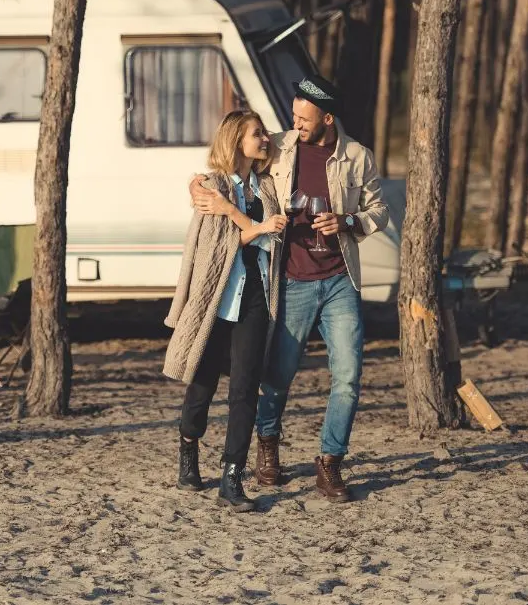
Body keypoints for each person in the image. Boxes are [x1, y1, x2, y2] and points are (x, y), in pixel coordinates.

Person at [191, 75, 388, 502]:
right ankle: (268, 444)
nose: (295, 123)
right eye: (293, 115)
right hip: (292, 280)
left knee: (349, 377)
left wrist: (349, 222)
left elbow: (379, 210)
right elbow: (227, 163)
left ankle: (330, 463)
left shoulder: (357, 156)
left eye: (303, 117)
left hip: (339, 281)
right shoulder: (278, 146)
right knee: (277, 377)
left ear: (328, 118)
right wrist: (198, 185)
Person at [163, 110, 286, 513]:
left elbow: (266, 240)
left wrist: (249, 224)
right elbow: (220, 243)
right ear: (236, 140)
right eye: (257, 134)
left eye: (266, 134)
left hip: (254, 295)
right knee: (203, 384)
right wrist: (255, 227)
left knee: (245, 389)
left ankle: (232, 477)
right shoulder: (212, 186)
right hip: (215, 296)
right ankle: (188, 448)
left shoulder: (267, 187)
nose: (265, 139)